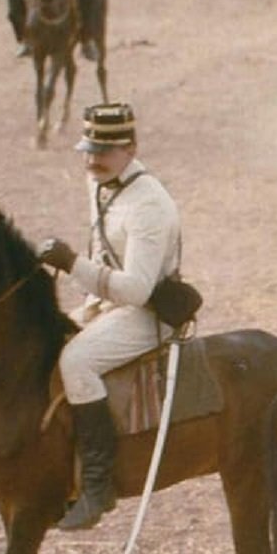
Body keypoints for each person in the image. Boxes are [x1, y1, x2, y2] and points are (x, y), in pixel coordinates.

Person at [37, 102, 184, 531]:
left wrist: (72, 264)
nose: (93, 159)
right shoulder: (100, 182)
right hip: (107, 304)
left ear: (131, 148)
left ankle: (97, 486)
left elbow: (137, 289)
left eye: (105, 151)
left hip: (148, 312)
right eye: (89, 150)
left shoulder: (148, 204)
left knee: (76, 362)